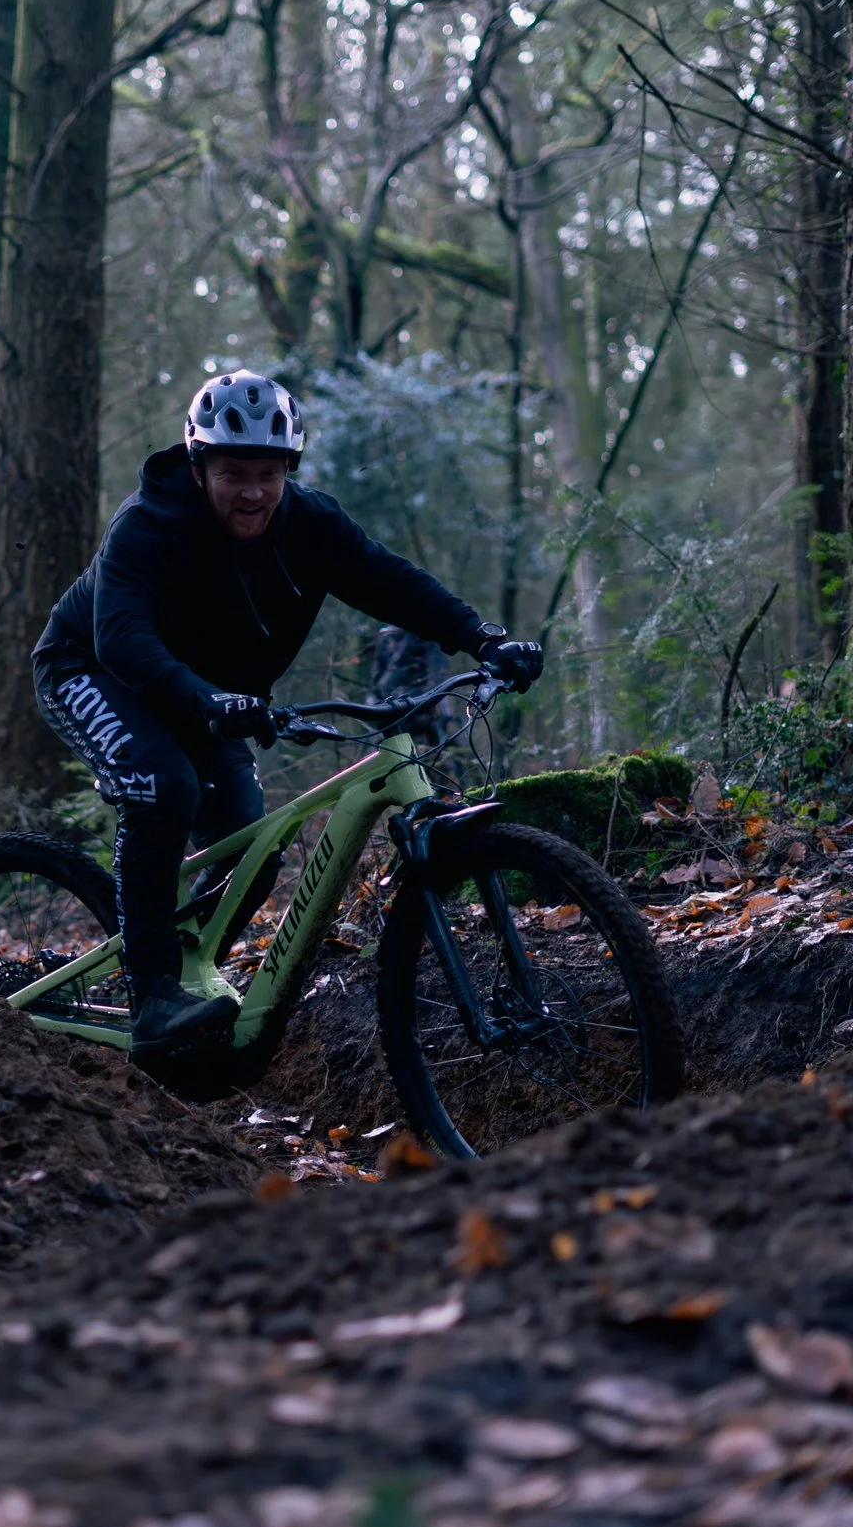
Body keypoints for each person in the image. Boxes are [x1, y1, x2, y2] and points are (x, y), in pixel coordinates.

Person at [34, 369, 543, 1059]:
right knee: (163, 787)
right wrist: (207, 699)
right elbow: (119, 637)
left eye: (268, 473)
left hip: (208, 696)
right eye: (233, 472)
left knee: (254, 844)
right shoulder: (150, 523)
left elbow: (391, 581)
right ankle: (152, 991)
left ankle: (187, 965)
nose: (252, 491)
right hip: (88, 667)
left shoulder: (312, 525)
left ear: (288, 470)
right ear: (199, 464)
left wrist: (483, 638)